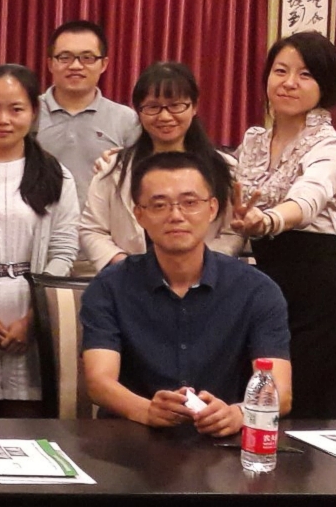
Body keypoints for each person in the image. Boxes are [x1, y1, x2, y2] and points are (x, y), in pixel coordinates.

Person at [82, 152, 293, 435]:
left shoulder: (256, 289)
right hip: (131, 439)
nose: (176, 216)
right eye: (159, 205)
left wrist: (238, 414)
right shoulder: (109, 287)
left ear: (213, 209)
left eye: (190, 203)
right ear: (139, 215)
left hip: (223, 443)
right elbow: (99, 383)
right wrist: (146, 410)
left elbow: (280, 392)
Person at [231, 31, 336, 419]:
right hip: (267, 290)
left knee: (314, 416)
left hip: (324, 294)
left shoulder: (333, 145)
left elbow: (308, 199)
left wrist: (268, 219)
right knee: (263, 408)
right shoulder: (253, 141)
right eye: (280, 71)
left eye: (305, 74)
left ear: (325, 86)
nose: (289, 82)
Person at [0, 64, 78, 417]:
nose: (3, 119)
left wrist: (35, 317)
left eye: (16, 109)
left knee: (26, 422)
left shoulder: (55, 175)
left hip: (33, 312)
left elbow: (64, 250)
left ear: (33, 112)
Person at [80, 62, 242, 273]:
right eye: (153, 107)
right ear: (138, 111)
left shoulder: (224, 167)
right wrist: (127, 267)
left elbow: (232, 231)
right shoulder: (113, 167)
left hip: (204, 279)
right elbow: (92, 229)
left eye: (176, 105)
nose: (165, 116)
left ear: (194, 106)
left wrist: (198, 264)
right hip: (130, 281)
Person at [37, 20, 140, 204]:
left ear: (104, 64)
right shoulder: (28, 113)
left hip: (101, 221)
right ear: (50, 64)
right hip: (39, 219)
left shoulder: (125, 119)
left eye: (87, 58)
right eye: (65, 57)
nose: (75, 66)